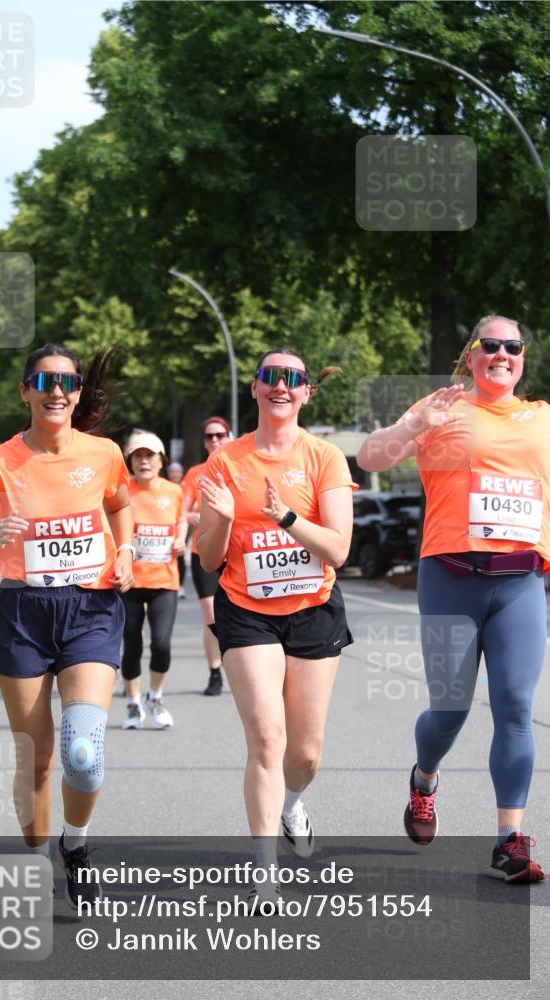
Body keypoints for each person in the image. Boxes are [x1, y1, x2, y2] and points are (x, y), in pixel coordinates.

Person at [357, 315, 548, 884]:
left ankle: (509, 839)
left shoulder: (542, 419)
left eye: (513, 347)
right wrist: (416, 420)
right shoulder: (442, 407)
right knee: (450, 711)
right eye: (490, 345)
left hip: (520, 583)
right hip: (451, 577)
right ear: (471, 356)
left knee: (516, 708)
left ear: (522, 358)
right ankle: (424, 779)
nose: (502, 354)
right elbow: (370, 458)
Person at [0, 344, 135, 908]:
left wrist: (126, 550)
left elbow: (120, 506)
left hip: (91, 609)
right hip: (23, 614)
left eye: (66, 382)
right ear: (26, 390)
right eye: (44, 380)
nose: (55, 390)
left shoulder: (104, 453)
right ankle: (35, 860)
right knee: (36, 759)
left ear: (77, 392)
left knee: (84, 753)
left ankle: (76, 846)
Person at [197, 349, 356, 912]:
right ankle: (264, 873)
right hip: (246, 607)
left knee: (305, 753)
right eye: (271, 378)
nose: (281, 387)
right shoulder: (226, 462)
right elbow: (210, 558)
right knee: (267, 739)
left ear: (307, 392)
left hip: (313, 608)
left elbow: (339, 547)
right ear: (256, 388)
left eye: (293, 380)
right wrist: (220, 516)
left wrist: (283, 517)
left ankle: (292, 805)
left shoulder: (325, 458)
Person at [120, 431, 187, 729]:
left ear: (161, 461)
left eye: (150, 456)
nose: (144, 461)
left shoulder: (174, 491)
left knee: (161, 643)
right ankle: (133, 704)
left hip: (165, 579)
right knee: (132, 644)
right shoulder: (121, 491)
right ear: (130, 462)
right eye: (138, 456)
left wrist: (181, 538)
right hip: (130, 582)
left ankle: (155, 696)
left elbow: (182, 519)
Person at [182, 417, 232, 695]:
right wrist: (202, 516)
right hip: (203, 551)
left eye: (220, 435)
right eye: (209, 436)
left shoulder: (239, 465)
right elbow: (181, 510)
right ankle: (215, 671)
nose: (214, 440)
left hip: (235, 553)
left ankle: (241, 667)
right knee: (211, 613)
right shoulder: (195, 473)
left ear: (229, 436)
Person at [167, 461, 187, 597]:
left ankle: (180, 585)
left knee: (180, 559)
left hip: (180, 528)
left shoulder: (185, 487)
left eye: (177, 472)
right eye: (172, 472)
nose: (175, 474)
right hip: (165, 531)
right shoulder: (164, 487)